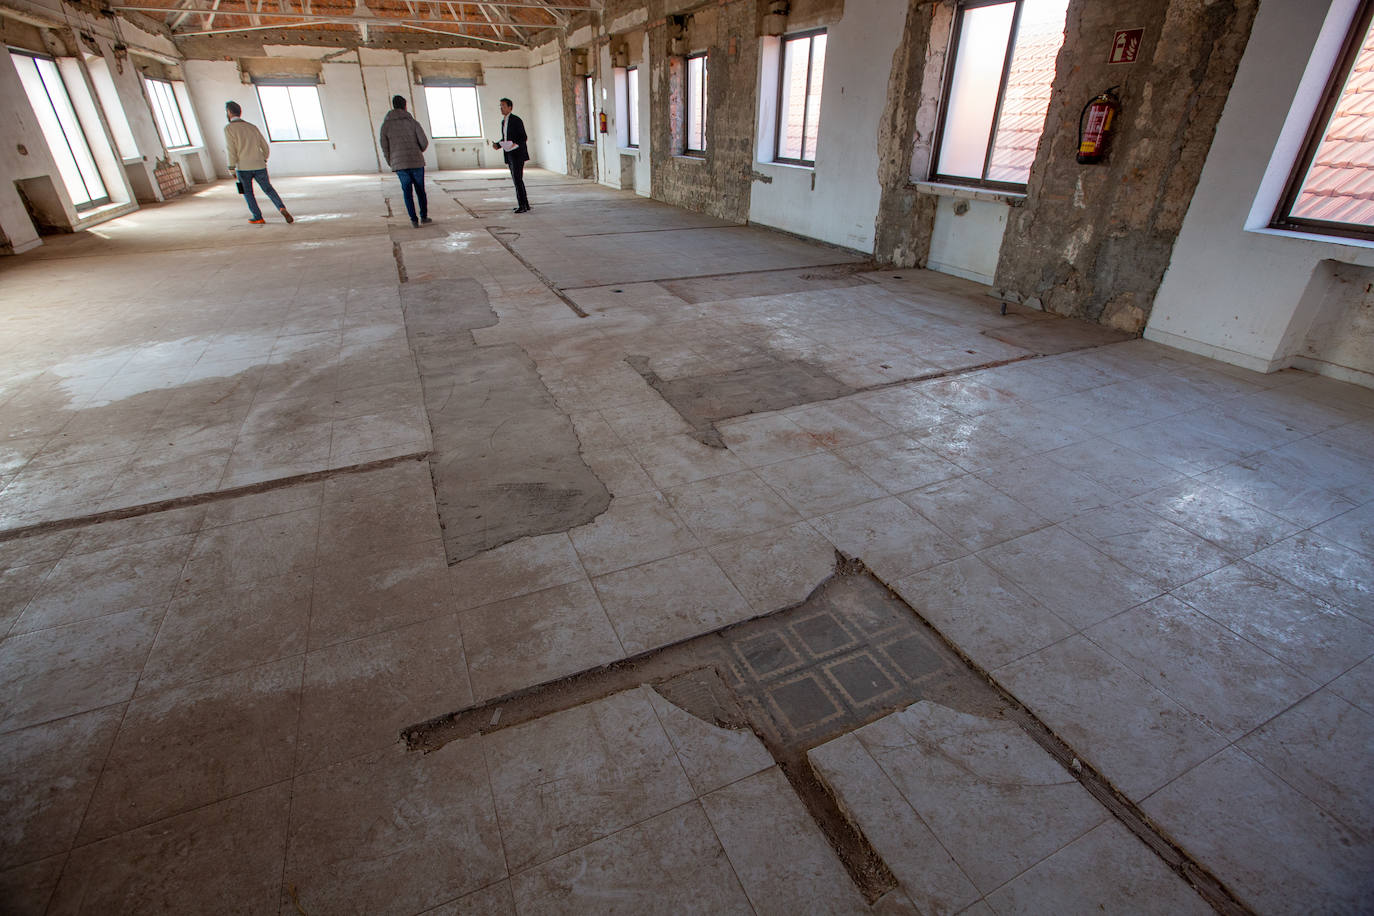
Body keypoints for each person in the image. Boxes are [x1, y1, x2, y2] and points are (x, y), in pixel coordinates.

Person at [224, 101, 292, 225]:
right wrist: (263, 159)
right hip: (259, 165)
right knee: (268, 189)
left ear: (229, 112)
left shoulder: (229, 128)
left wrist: (231, 168)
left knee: (248, 193)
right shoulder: (252, 127)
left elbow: (231, 149)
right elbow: (265, 146)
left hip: (243, 167)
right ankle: (281, 207)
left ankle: (258, 217)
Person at [379, 95, 432, 228]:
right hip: (416, 162)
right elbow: (424, 142)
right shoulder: (413, 123)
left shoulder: (386, 125)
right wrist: (418, 151)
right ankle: (424, 217)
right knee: (420, 191)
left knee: (407, 192)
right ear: (405, 106)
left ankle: (413, 220)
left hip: (400, 165)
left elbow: (384, 146)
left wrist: (391, 161)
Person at [492, 98, 531, 213]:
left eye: (503, 106)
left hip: (517, 153)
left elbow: (523, 137)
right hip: (509, 153)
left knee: (518, 179)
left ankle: (522, 206)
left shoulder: (516, 120)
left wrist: (514, 144)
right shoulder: (503, 121)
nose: (501, 108)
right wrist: (498, 145)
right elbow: (506, 139)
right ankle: (525, 204)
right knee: (517, 180)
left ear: (510, 107)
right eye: (500, 106)